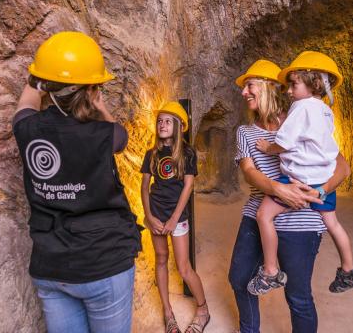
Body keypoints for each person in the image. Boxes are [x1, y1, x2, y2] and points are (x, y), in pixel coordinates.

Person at [12, 31, 142, 333]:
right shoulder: (103, 134)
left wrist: (39, 78)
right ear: (92, 90)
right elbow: (120, 137)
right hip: (102, 261)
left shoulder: (26, 129)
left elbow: (28, 98)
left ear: (47, 86)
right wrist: (100, 107)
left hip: (51, 265)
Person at [228, 59, 351, 333]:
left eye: (250, 85)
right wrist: (278, 189)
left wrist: (318, 191)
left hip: (303, 218)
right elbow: (249, 170)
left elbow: (342, 166)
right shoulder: (245, 132)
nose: (243, 92)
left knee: (298, 296)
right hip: (261, 210)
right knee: (239, 279)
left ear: (269, 87)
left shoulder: (304, 117)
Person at [249, 51, 353, 296]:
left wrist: (267, 147)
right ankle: (349, 269)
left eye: (293, 84)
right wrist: (323, 188)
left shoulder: (300, 108)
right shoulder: (325, 111)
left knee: (263, 215)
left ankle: (270, 271)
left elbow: (285, 141)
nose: (289, 91)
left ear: (312, 83)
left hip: (299, 180)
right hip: (323, 181)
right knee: (332, 223)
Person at [140, 101, 210, 333]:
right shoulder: (151, 154)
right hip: (156, 217)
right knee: (161, 259)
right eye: (160, 120)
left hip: (176, 218)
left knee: (183, 267)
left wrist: (173, 219)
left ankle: (203, 309)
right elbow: (144, 188)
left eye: (168, 121)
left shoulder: (187, 153)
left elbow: (187, 188)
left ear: (179, 126)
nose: (162, 124)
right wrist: (149, 217)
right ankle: (168, 312)